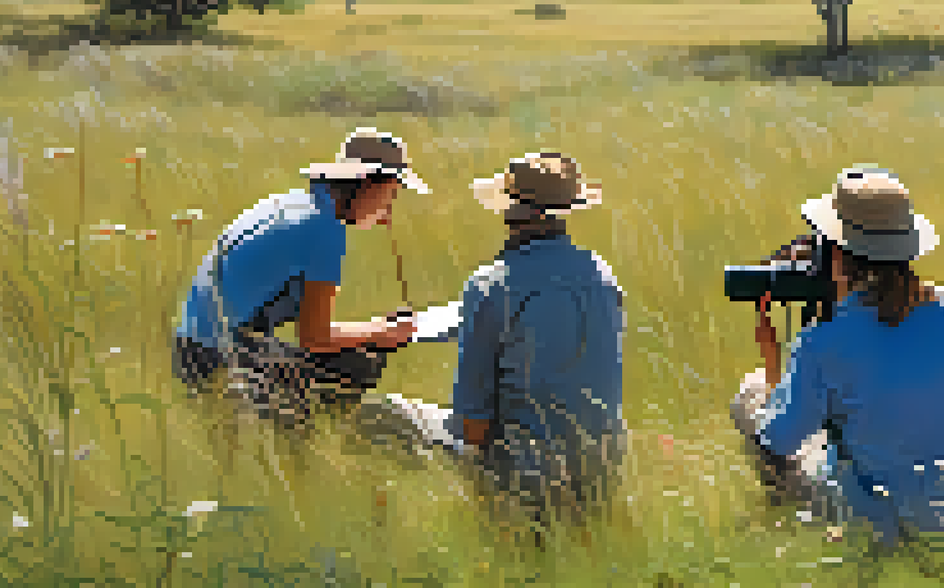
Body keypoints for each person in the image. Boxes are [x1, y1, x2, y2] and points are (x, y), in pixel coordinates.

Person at [356, 152, 625, 526]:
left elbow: (472, 427)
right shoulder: (603, 276)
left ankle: (387, 538)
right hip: (602, 471)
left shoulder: (491, 285)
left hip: (527, 475)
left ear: (508, 210)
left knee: (373, 415)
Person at [731, 166, 944, 547]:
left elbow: (778, 440)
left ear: (834, 251)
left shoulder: (824, 340)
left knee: (749, 399)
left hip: (874, 521)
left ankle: (788, 529)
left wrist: (773, 363)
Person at [172, 128, 426, 427]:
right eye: (389, 197)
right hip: (217, 356)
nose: (387, 215)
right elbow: (315, 338)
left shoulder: (290, 203)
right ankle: (294, 438)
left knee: (349, 356)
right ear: (367, 185)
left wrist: (375, 330)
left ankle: (292, 430)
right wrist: (380, 332)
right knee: (361, 362)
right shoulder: (324, 230)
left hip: (191, 346)